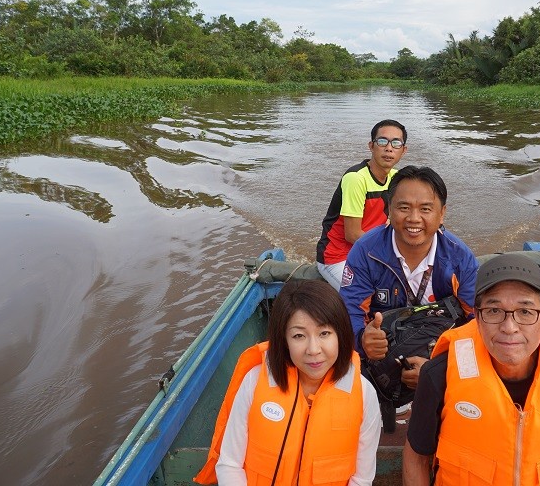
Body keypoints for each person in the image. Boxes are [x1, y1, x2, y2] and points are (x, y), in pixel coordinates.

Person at [402, 252, 540, 486]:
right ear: (477, 318)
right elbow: (417, 458)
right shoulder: (440, 374)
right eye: (494, 311)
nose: (509, 328)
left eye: (525, 312)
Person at [194, 279, 382, 486]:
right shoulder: (254, 382)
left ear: (341, 335)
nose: (313, 349)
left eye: (324, 333)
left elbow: (361, 479)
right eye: (299, 335)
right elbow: (230, 464)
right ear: (283, 340)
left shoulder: (364, 394)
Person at [339, 165, 478, 390]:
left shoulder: (460, 258)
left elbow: (477, 321)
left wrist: (440, 367)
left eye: (425, 209)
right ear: (389, 210)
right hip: (384, 347)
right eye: (403, 207)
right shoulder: (366, 251)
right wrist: (362, 340)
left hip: (438, 348)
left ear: (442, 213)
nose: (414, 219)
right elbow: (350, 310)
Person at [316, 119, 408, 290]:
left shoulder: (396, 178)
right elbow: (352, 234)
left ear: (403, 150)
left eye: (396, 143)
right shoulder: (356, 178)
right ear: (371, 146)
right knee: (368, 298)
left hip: (369, 253)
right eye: (382, 141)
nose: (389, 148)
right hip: (338, 256)